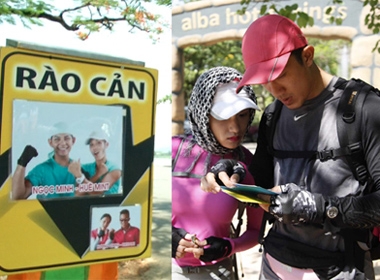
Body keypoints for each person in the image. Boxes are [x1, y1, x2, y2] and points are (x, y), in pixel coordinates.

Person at [201, 15, 380, 279]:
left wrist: (315, 207)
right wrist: (234, 170)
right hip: (275, 264)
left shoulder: (365, 108)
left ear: (307, 56)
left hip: (341, 268)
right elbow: (260, 180)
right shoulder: (273, 116)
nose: (275, 90)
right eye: (265, 81)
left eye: (281, 74)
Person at [172, 66, 264, 279]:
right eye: (223, 117)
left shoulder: (248, 164)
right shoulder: (173, 151)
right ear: (203, 114)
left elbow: (255, 231)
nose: (235, 128)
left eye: (242, 115)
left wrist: (229, 246)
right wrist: (170, 237)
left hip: (218, 272)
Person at [12, 122, 79, 199]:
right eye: (57, 139)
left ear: (73, 140)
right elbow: (18, 196)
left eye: (67, 138)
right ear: (50, 142)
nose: (63, 143)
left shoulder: (80, 169)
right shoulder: (42, 170)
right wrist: (22, 163)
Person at [68, 129, 122, 196]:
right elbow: (77, 193)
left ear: (106, 145)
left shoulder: (115, 170)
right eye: (91, 145)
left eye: (98, 143)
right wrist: (98, 174)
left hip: (107, 205)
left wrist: (80, 176)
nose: (94, 148)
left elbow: (97, 192)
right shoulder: (86, 167)